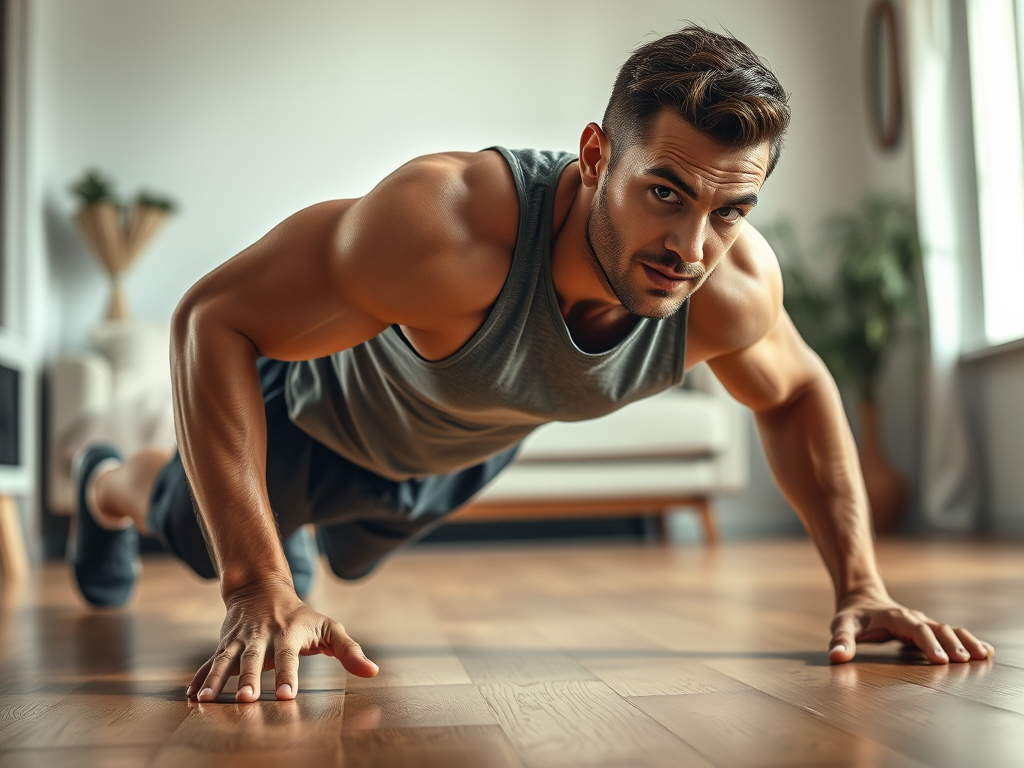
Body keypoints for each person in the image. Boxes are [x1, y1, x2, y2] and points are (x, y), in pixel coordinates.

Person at [69, 26, 993, 705]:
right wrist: (253, 582)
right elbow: (211, 319)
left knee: (341, 561)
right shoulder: (446, 228)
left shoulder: (731, 288)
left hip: (456, 459)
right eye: (663, 193)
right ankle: (107, 484)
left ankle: (299, 547)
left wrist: (862, 586)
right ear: (596, 157)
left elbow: (795, 393)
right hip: (307, 425)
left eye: (728, 211)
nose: (689, 245)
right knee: (203, 539)